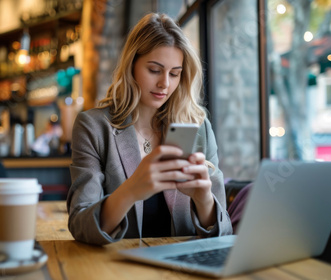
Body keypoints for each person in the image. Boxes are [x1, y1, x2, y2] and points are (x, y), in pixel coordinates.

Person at [67, 13, 232, 245]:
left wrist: (204, 199)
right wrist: (131, 191)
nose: (165, 83)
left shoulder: (198, 127)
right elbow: (80, 225)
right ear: (131, 64)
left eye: (175, 73)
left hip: (181, 267)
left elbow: (223, 233)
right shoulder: (94, 127)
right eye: (154, 70)